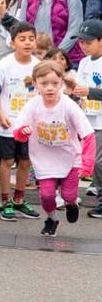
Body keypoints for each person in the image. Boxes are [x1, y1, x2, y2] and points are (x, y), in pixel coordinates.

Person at [14, 60, 94, 236]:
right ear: (35, 84)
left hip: (71, 157)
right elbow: (18, 131)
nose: (49, 88)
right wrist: (23, 132)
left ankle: (71, 204)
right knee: (48, 196)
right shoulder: (32, 105)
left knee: (68, 195)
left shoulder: (68, 105)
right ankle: (52, 218)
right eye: (44, 84)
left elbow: (88, 134)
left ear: (61, 84)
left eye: (55, 84)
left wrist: (87, 164)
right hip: (44, 159)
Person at [0, 21, 40, 222]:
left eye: (31, 39)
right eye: (22, 39)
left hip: (28, 124)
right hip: (7, 123)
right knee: (7, 161)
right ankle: (4, 202)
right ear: (12, 43)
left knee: (26, 161)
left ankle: (19, 199)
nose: (27, 43)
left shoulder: (38, 66)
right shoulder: (3, 65)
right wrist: (1, 116)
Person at [73, 20, 102, 219]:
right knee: (90, 162)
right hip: (87, 119)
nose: (83, 46)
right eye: (81, 42)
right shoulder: (83, 63)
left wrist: (89, 91)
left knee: (99, 162)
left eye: (88, 42)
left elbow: (89, 90)